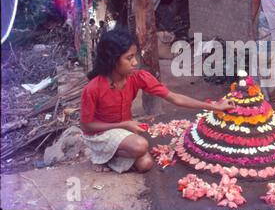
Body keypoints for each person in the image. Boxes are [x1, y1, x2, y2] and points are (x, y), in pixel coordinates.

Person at [80, 28, 235, 173]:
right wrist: (123, 124)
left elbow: (175, 98)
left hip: (124, 130)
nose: (135, 62)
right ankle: (100, 153)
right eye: (129, 58)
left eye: (135, 56)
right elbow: (87, 126)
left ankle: (109, 155)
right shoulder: (93, 88)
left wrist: (215, 106)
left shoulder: (138, 77)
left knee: (145, 164)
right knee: (141, 145)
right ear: (112, 60)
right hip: (100, 134)